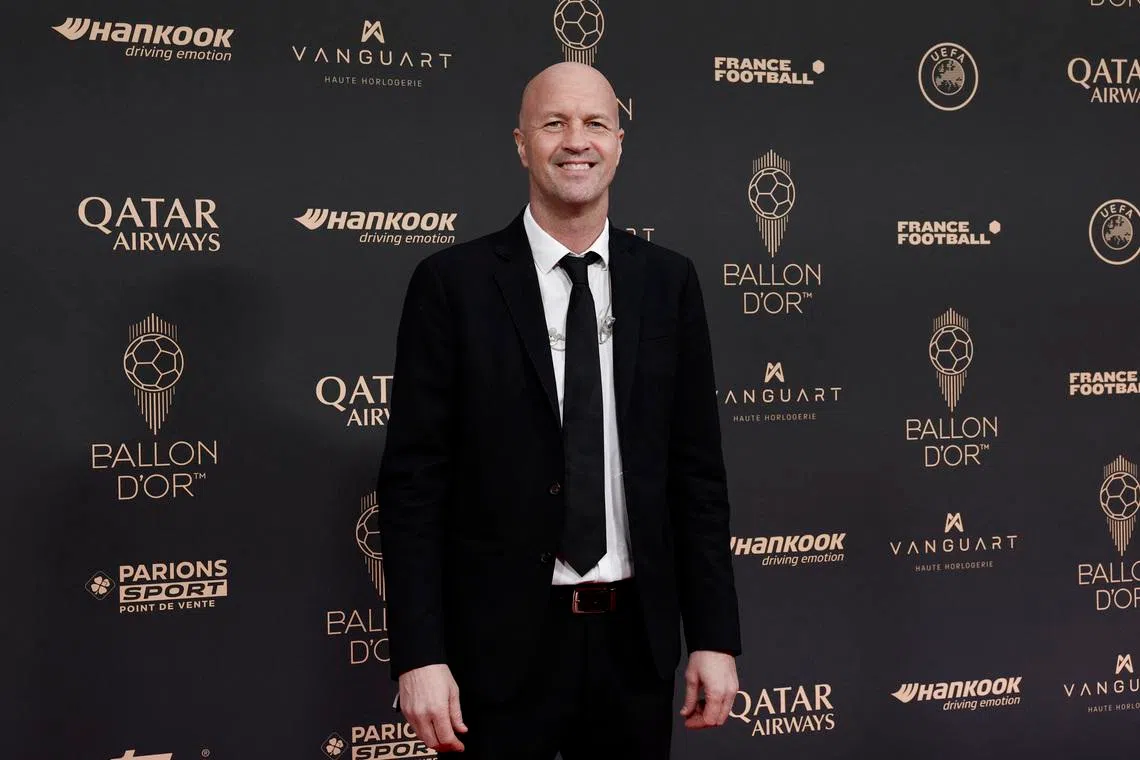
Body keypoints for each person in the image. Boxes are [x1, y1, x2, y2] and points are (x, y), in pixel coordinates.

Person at [375, 61, 741, 758]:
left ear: (620, 143)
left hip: (635, 645)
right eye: (555, 123)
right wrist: (419, 654)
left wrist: (716, 636)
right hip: (499, 647)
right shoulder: (452, 286)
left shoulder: (670, 282)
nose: (577, 140)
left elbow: (698, 476)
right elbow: (413, 485)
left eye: (595, 123)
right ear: (521, 144)